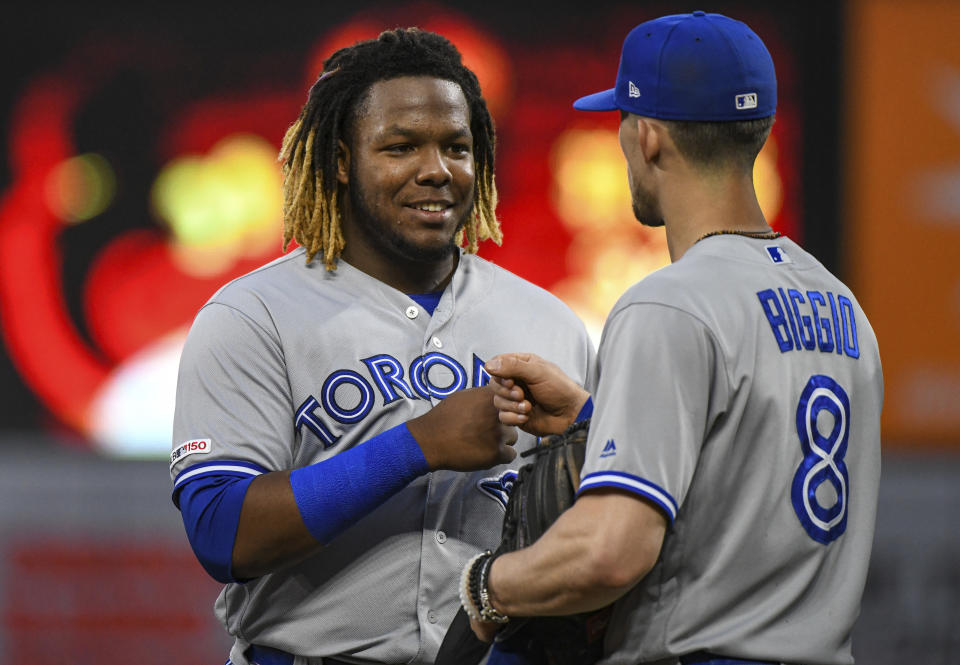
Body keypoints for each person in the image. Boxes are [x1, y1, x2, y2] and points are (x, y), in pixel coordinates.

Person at [466, 11, 883, 665]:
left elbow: (609, 552)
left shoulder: (669, 303)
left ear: (650, 135)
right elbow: (744, 474)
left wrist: (487, 586)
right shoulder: (842, 305)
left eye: (623, 122)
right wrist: (595, 418)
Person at [168, 28, 594, 665]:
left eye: (457, 147)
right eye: (401, 147)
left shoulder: (550, 321)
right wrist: (417, 446)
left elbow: (599, 534)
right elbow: (222, 535)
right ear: (341, 161)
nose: (435, 170)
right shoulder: (253, 316)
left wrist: (589, 424)